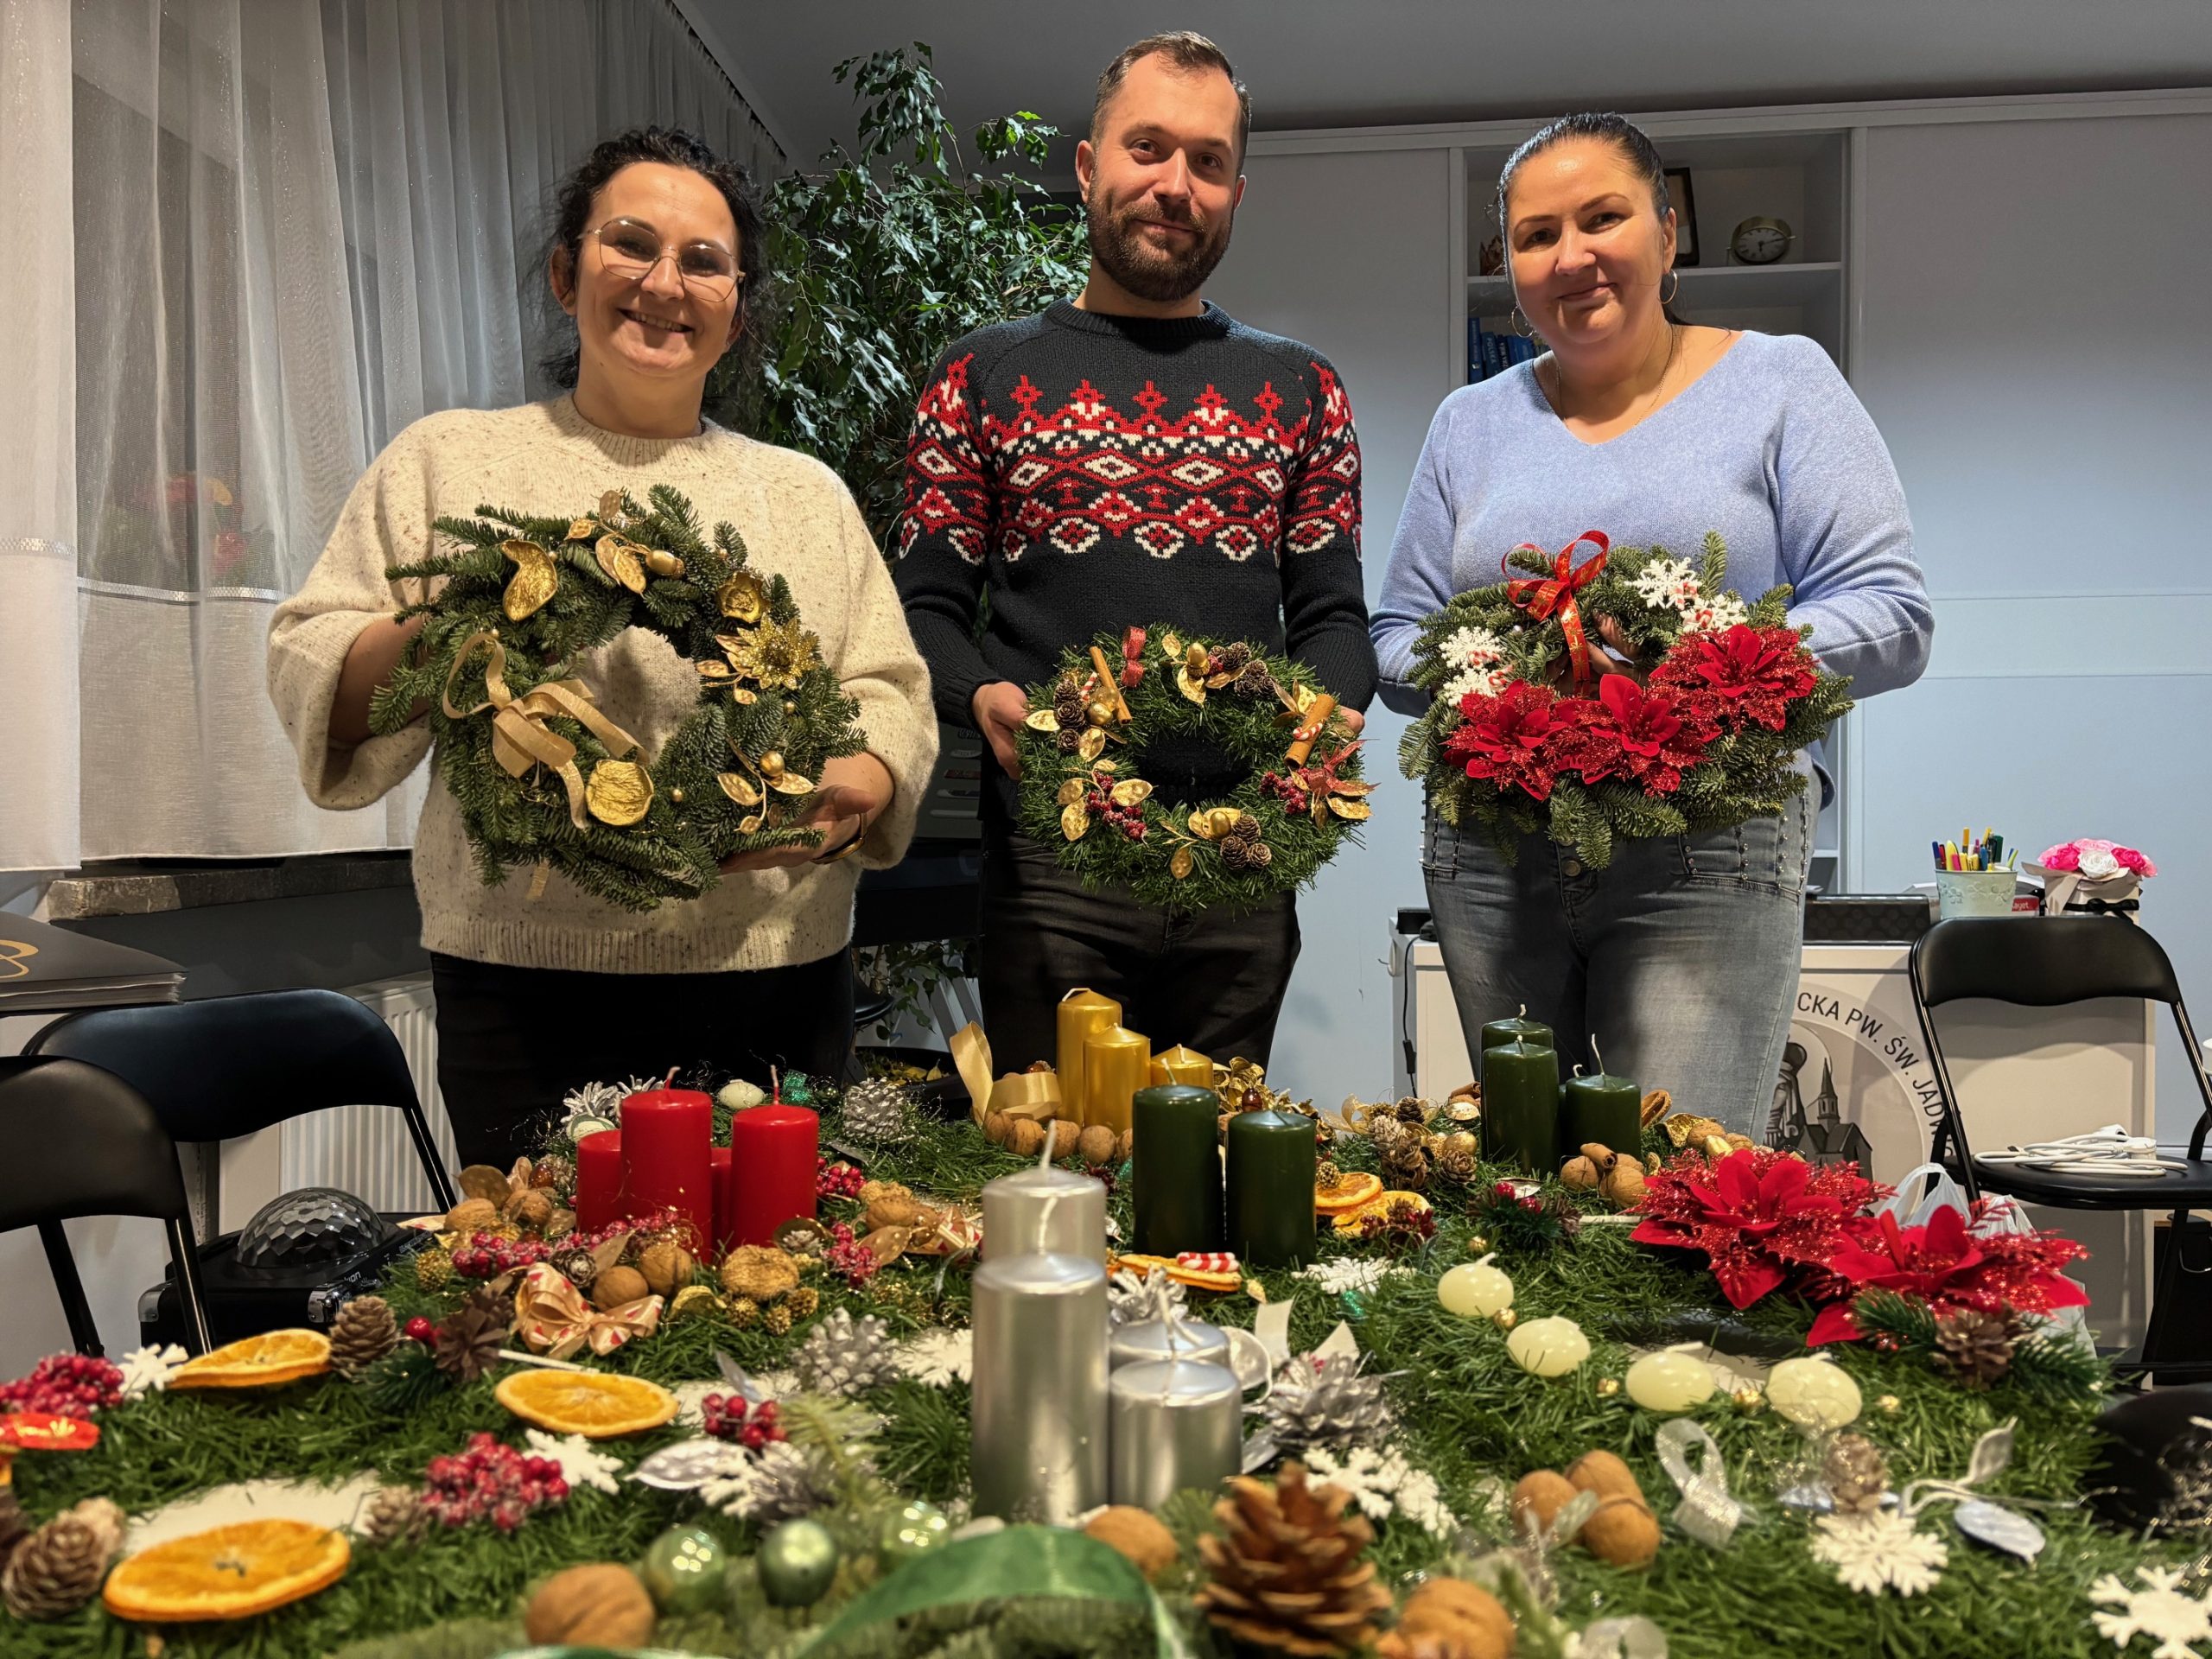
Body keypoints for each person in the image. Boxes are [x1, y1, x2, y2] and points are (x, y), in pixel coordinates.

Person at [269, 128, 938, 1166]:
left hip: (775, 975)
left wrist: (857, 783)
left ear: (737, 311)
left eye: (703, 261)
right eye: (631, 244)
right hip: (523, 991)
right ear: (565, 272)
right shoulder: (446, 462)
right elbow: (314, 655)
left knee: (786, 1256)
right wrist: (469, 624)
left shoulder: (804, 495)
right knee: (539, 1261)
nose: (664, 284)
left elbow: (887, 688)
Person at [1371, 111, 1931, 1136]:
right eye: (1537, 235)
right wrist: (1510, 673)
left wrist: (1690, 671)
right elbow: (1398, 638)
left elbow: (1888, 613)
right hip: (1494, 845)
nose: (1570, 256)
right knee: (1525, 1177)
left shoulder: (1781, 383)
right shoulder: (1469, 423)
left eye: (1602, 219)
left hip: (1707, 840)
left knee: (1678, 1176)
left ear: (1667, 235)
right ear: (1511, 268)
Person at [894, 32, 1376, 1072]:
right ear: (1086, 166)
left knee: (1218, 1155)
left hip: (1243, 855)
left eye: (1207, 161)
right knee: (1055, 1154)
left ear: (1235, 192)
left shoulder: (1303, 389)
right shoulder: (978, 376)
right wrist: (981, 696)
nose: (1174, 184)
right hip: (1051, 859)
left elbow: (1332, 615)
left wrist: (1332, 710)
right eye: (1147, 148)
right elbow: (923, 608)